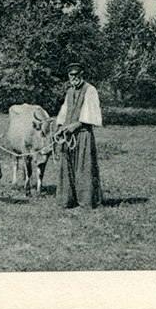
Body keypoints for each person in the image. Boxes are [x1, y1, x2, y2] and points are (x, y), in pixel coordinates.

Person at [54, 63, 103, 209]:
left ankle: (86, 200)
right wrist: (60, 127)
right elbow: (64, 112)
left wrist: (74, 126)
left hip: (82, 135)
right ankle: (67, 200)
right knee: (67, 166)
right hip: (68, 136)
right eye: (71, 75)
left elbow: (90, 116)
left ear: (82, 74)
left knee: (84, 167)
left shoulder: (90, 90)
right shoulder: (69, 91)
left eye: (77, 75)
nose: (74, 78)